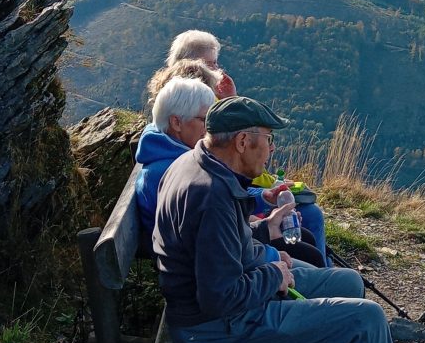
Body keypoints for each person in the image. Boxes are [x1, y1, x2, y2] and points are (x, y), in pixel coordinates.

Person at [154, 96, 413, 343]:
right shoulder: (212, 195)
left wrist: (264, 232)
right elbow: (219, 299)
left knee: (349, 282)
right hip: (213, 325)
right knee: (366, 319)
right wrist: (273, 276)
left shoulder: (197, 162)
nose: (272, 148)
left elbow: (215, 246)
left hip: (222, 299)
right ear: (243, 141)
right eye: (268, 139)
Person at [135, 78, 324, 267]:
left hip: (222, 255)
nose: (210, 129)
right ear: (176, 122)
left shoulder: (179, 156)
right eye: (204, 120)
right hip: (211, 265)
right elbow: (211, 246)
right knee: (313, 256)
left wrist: (263, 198)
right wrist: (271, 258)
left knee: (304, 239)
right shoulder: (173, 170)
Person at [165, 29, 236, 99]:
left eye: (215, 63)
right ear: (188, 67)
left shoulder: (167, 92)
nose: (215, 69)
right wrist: (229, 101)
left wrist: (228, 98)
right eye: (207, 64)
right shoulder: (193, 99)